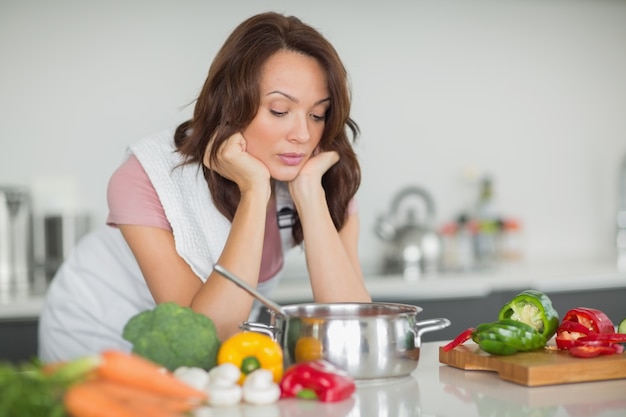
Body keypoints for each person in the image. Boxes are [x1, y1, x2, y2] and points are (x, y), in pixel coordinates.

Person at [38, 11, 372, 362]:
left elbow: (353, 327)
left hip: (199, 353)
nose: (303, 135)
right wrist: (255, 191)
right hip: (96, 332)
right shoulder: (148, 175)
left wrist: (309, 193)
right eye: (279, 110)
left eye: (317, 114)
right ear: (233, 104)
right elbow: (204, 340)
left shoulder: (322, 175)